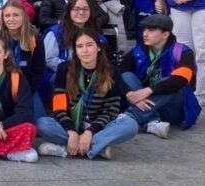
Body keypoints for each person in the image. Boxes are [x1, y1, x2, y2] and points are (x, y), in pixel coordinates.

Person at [36, 27, 137, 159]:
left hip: (98, 128)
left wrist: (90, 132)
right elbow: (58, 107)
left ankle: (68, 148)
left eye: (89, 45)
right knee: (42, 123)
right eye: (79, 46)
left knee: (130, 125)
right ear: (76, 50)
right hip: (70, 126)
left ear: (99, 47)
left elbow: (110, 112)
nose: (84, 50)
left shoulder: (112, 71)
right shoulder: (64, 69)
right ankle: (96, 148)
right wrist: (72, 131)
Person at [121, 14, 200, 137]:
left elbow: (181, 80)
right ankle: (151, 122)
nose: (145, 34)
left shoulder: (184, 52)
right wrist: (130, 94)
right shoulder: (137, 51)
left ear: (165, 34)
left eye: (151, 30)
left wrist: (148, 90)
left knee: (174, 81)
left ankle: (131, 116)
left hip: (172, 109)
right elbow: (118, 73)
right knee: (126, 75)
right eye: (144, 29)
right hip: (141, 102)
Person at [0, 0, 47, 117]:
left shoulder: (35, 39)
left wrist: (25, 93)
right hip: (3, 88)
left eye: (16, 15)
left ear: (23, 17)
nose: (11, 19)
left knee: (40, 123)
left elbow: (38, 72)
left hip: (27, 88)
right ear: (3, 18)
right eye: (7, 15)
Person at [44, 0, 102, 85]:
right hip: (60, 75)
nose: (81, 12)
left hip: (90, 72)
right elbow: (49, 59)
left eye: (85, 9)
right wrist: (76, 68)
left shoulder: (95, 33)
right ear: (68, 11)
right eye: (76, 9)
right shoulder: (55, 32)